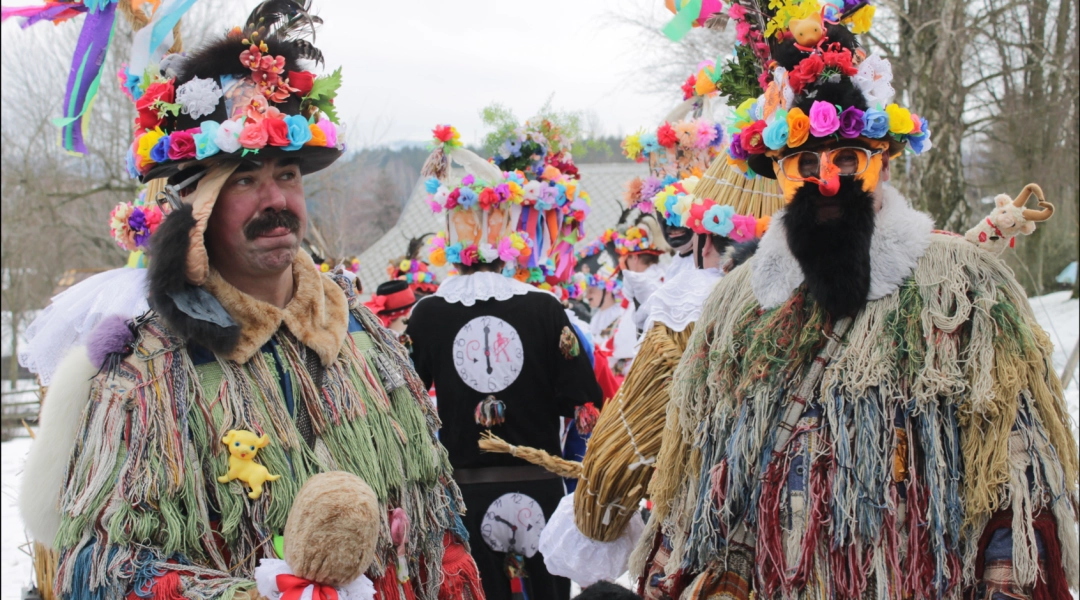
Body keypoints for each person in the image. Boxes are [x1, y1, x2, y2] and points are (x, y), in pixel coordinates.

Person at [19, 5, 482, 598]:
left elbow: (435, 516)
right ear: (198, 210)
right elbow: (100, 566)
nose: (276, 200)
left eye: (287, 175)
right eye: (244, 180)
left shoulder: (366, 340)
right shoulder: (149, 373)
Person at [634, 3, 1079, 599]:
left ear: (884, 164)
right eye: (804, 164)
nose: (827, 181)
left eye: (848, 160)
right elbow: (694, 470)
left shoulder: (961, 286)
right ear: (778, 174)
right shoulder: (737, 306)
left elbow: (1016, 472)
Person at [406, 125, 603, 600]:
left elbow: (406, 402)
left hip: (465, 491)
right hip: (542, 484)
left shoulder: (429, 313)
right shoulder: (544, 307)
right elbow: (582, 398)